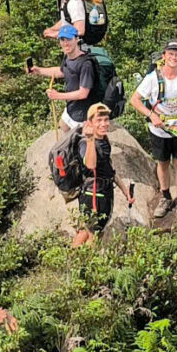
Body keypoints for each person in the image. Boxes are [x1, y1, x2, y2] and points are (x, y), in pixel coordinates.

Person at [130, 39, 177, 227]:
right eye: (171, 54)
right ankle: (166, 196)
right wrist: (151, 115)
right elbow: (134, 99)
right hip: (159, 130)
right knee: (163, 163)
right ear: (164, 56)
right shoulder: (153, 78)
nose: (174, 57)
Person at [66, 102, 121, 247]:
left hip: (103, 191)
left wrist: (124, 189)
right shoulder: (85, 142)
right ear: (90, 123)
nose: (104, 124)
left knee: (84, 230)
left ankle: (72, 262)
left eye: (106, 120)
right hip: (94, 195)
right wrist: (90, 139)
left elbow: (108, 168)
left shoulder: (104, 140)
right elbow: (90, 165)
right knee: (93, 235)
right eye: (99, 120)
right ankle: (88, 266)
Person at [28, 25, 100, 132]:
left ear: (76, 39)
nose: (65, 43)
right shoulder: (68, 57)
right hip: (71, 109)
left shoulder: (86, 64)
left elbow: (83, 93)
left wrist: (58, 96)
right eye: (62, 39)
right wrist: (39, 70)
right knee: (63, 127)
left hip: (82, 115)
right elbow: (61, 72)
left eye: (69, 39)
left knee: (77, 144)